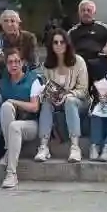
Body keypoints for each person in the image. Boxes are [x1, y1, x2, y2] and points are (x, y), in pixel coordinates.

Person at [35, 28, 89, 163]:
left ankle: (75, 147)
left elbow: (83, 90)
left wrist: (68, 95)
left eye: (62, 42)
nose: (59, 45)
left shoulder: (78, 61)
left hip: (78, 102)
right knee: (46, 102)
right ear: (51, 45)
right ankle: (43, 146)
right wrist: (51, 95)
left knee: (70, 100)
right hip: (56, 102)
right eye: (55, 42)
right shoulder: (47, 65)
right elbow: (45, 86)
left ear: (67, 43)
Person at [0, 48, 43, 189]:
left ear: (22, 63)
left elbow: (34, 107)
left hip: (31, 124)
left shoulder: (33, 79)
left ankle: (11, 173)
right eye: (10, 62)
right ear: (6, 65)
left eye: (17, 61)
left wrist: (14, 101)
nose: (14, 65)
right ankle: (9, 148)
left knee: (14, 125)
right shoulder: (4, 82)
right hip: (11, 124)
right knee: (5, 107)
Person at [0, 10, 38, 75]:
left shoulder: (29, 37)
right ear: (1, 24)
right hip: (4, 74)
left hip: (25, 73)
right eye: (5, 21)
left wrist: (7, 62)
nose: (9, 24)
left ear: (18, 23)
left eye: (12, 21)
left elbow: (33, 62)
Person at [68, 0, 107, 67]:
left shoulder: (104, 29)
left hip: (99, 64)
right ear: (79, 13)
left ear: (94, 12)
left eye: (89, 10)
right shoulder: (72, 32)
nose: (86, 13)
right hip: (78, 64)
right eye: (83, 10)